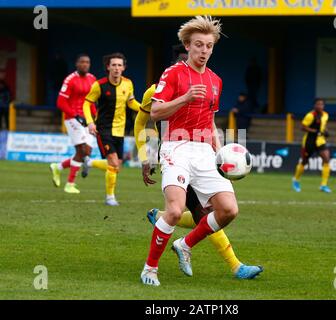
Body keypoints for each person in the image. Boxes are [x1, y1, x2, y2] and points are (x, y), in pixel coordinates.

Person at [140, 16, 262, 286]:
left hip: (204, 151)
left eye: (209, 46)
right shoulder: (173, 74)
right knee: (173, 211)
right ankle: (150, 268)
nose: (204, 50)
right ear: (188, 46)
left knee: (229, 210)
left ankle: (185, 244)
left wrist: (220, 153)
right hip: (176, 147)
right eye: (199, 45)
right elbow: (156, 113)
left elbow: (209, 121)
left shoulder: (215, 81)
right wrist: (184, 98)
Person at [83, 52, 140, 206]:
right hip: (103, 129)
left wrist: (143, 109)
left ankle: (89, 163)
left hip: (120, 131)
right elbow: (87, 103)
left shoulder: (128, 83)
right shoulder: (99, 85)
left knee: (117, 166)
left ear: (124, 68)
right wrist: (90, 122)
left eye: (119, 65)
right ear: (108, 67)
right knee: (113, 163)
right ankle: (110, 198)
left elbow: (131, 102)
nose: (116, 68)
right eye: (113, 65)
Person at [49, 54, 96, 194]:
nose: (85, 64)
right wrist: (75, 115)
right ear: (77, 64)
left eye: (87, 62)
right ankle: (70, 184)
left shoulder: (92, 79)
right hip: (72, 118)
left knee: (87, 152)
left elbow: (91, 101)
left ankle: (58, 167)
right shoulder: (70, 80)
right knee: (81, 151)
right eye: (82, 62)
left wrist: (95, 117)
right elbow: (60, 102)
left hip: (87, 119)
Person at [292, 98, 332, 193]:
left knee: (326, 159)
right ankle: (296, 180)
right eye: (318, 104)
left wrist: (326, 131)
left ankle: (323, 185)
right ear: (314, 105)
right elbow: (303, 127)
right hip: (309, 141)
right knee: (304, 162)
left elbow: (323, 125)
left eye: (321, 104)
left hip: (320, 141)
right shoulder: (310, 115)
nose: (319, 106)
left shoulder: (325, 115)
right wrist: (314, 131)